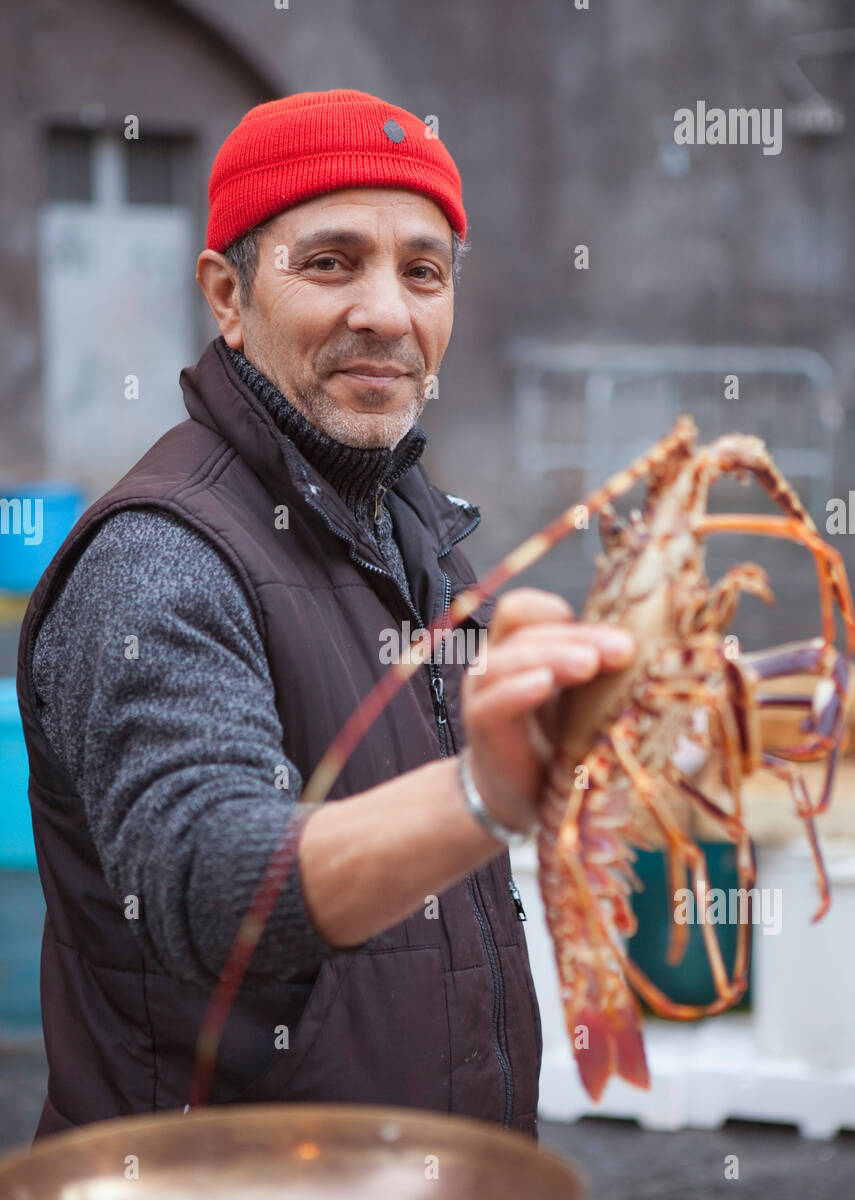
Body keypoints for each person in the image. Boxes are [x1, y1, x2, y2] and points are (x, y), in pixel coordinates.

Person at [18, 90, 634, 1139]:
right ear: (226, 292)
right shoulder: (161, 555)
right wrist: (483, 793)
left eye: (421, 271)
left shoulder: (421, 538)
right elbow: (214, 888)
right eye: (331, 261)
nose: (386, 313)